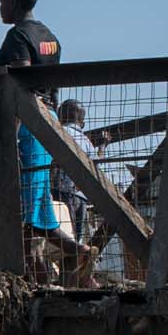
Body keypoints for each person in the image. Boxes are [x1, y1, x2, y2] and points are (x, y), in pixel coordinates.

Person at [0, 0, 86, 276]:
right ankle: (77, 255)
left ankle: (45, 276)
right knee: (39, 210)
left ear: (13, 2)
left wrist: (11, 133)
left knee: (26, 213)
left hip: (28, 127)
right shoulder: (50, 38)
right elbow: (51, 88)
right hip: (48, 123)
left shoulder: (18, 37)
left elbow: (22, 84)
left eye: (1, 0)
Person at [53, 98, 95, 246]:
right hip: (81, 196)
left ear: (61, 115)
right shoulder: (87, 142)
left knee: (60, 238)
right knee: (77, 238)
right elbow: (95, 170)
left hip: (59, 192)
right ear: (81, 120)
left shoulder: (57, 132)